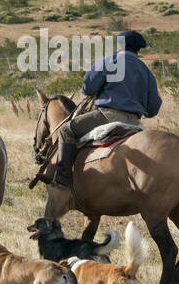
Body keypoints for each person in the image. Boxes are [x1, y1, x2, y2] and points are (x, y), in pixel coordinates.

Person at [50, 29, 161, 189]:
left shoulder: (110, 61)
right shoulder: (146, 71)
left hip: (107, 116)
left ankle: (62, 179)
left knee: (66, 131)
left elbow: (88, 87)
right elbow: (153, 108)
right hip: (135, 123)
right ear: (139, 49)